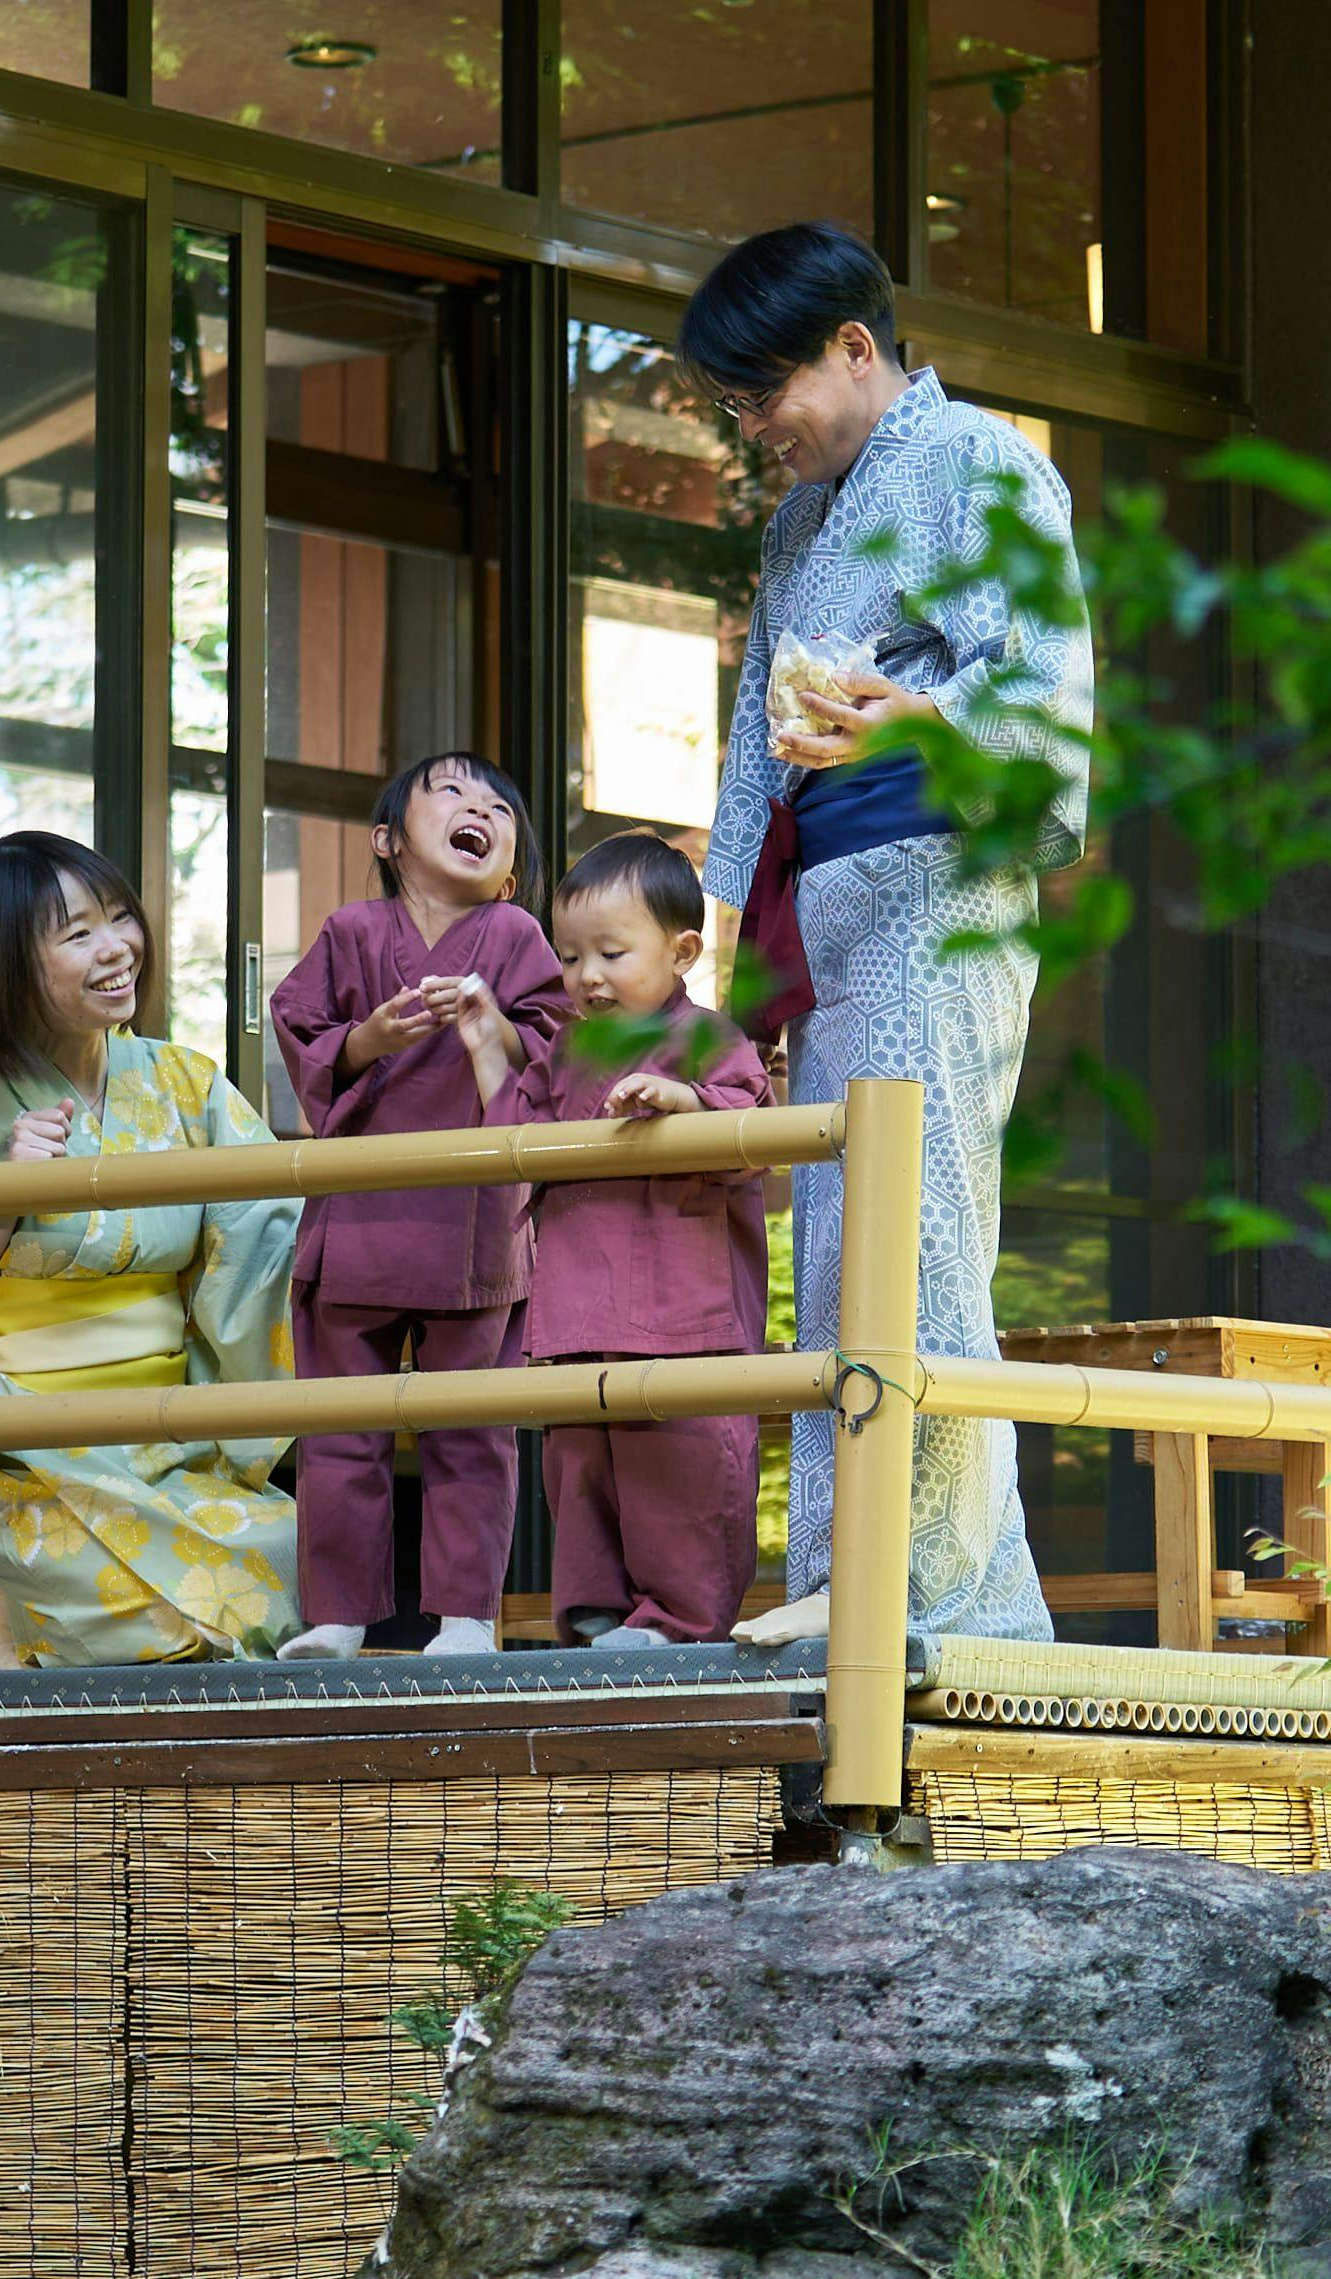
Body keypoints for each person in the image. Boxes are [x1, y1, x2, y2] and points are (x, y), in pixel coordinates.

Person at [687, 220, 1093, 1645]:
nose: (754, 431)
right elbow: (756, 739)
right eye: (734, 408)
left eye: (762, 396)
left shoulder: (978, 463)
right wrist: (716, 941)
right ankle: (913, 1596)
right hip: (834, 913)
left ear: (857, 348)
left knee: (912, 1245)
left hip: (937, 889)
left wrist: (918, 721)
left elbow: (1042, 695)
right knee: (850, 1246)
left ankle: (905, 1592)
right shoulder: (802, 516)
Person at [0, 831, 298, 1667]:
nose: (117, 948)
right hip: (29, 1446)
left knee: (298, 1569)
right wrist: (2, 1198)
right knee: (159, 1631)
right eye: (78, 933)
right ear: (4, 963)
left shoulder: (186, 1083)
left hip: (175, 1439)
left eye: (120, 918)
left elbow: (270, 1241)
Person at [265, 752, 570, 1661]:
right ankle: (338, 1616)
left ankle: (467, 1618)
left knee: (471, 1436)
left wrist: (490, 1020)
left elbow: (555, 1054)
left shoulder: (515, 935)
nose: (478, 806)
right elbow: (304, 1031)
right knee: (339, 1432)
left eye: (498, 806)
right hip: (357, 1223)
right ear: (388, 840)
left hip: (475, 1226)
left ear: (509, 871)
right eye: (451, 793)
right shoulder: (352, 930)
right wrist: (371, 1035)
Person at [458, 831, 775, 1647]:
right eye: (569, 958)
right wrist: (488, 1050)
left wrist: (684, 1103)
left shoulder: (712, 1039)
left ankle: (675, 1620)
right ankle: (594, 1610)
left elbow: (759, 1134)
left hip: (682, 1320)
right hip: (577, 1314)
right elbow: (513, 1139)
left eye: (610, 952)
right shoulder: (564, 1049)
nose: (586, 976)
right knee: (580, 1470)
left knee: (681, 1470)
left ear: (683, 952)